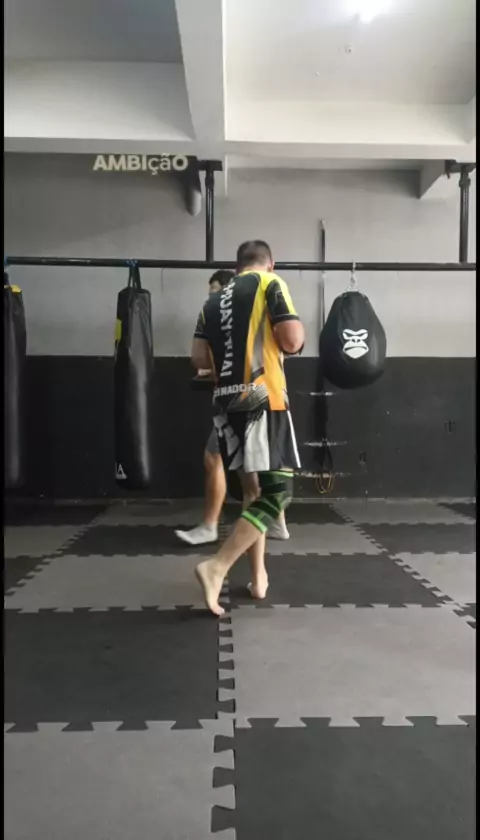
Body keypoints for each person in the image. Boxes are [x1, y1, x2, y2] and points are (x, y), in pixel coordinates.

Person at [190, 240, 304, 615]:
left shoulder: (212, 301)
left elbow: (198, 358)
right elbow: (292, 340)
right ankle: (217, 566)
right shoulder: (271, 283)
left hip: (226, 403)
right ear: (270, 263)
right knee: (278, 494)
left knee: (253, 492)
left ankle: (258, 576)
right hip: (261, 397)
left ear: (237, 265)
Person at [175, 269, 290, 546]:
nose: (213, 299)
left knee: (221, 461)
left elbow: (200, 359)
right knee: (261, 467)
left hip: (244, 398)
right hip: (266, 396)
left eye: (216, 292)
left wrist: (213, 369)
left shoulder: (231, 320)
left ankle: (211, 527)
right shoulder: (248, 322)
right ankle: (277, 524)